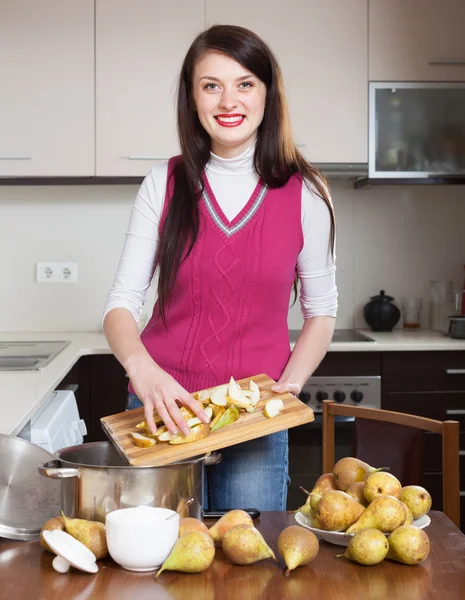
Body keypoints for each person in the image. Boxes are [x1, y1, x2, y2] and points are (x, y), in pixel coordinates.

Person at [103, 24, 337, 512]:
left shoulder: (306, 192)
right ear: (193, 99)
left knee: (247, 569)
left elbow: (321, 313)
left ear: (268, 95)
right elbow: (121, 306)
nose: (228, 101)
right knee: (155, 568)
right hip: (160, 410)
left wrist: (285, 390)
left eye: (245, 83)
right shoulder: (162, 182)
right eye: (211, 86)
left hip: (253, 422)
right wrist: (142, 369)